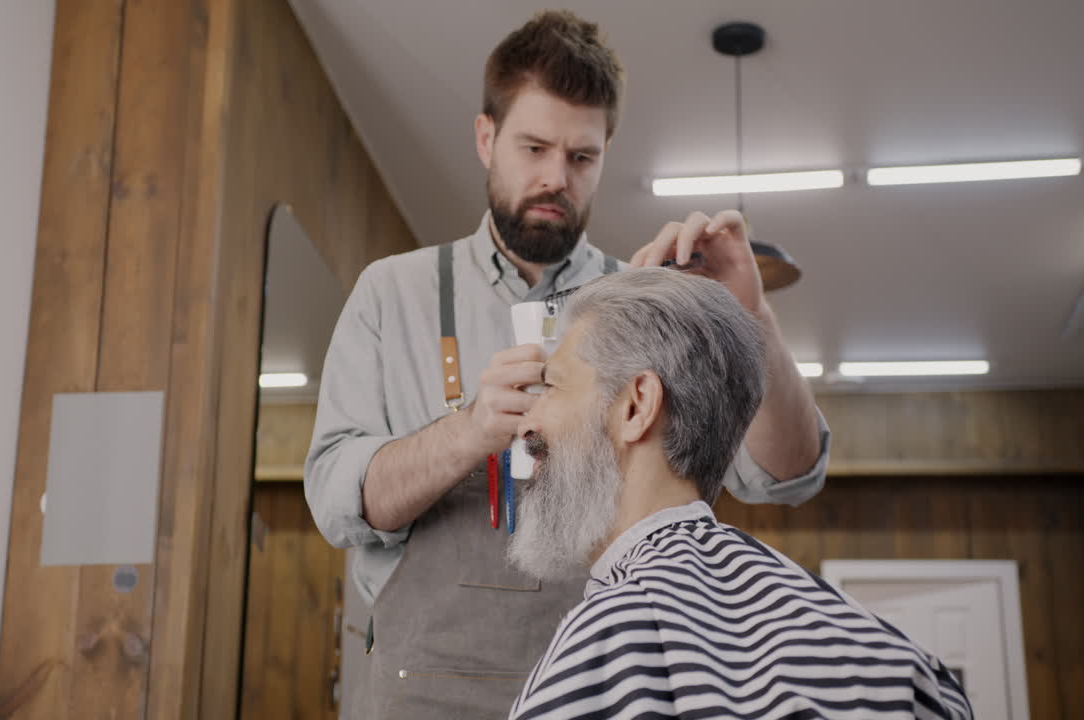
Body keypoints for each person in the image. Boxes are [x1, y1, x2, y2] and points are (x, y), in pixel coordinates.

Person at [304, 11, 831, 719]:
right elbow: (337, 501)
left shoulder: (649, 298)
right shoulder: (389, 293)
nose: (557, 177)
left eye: (582, 157)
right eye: (535, 147)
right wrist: (469, 431)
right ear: (486, 138)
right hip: (424, 690)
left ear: (606, 154)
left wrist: (753, 323)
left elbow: (785, 478)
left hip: (611, 679)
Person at [506, 268, 971, 720]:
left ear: (635, 406)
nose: (526, 423)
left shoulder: (609, 643)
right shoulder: (885, 650)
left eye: (550, 386)